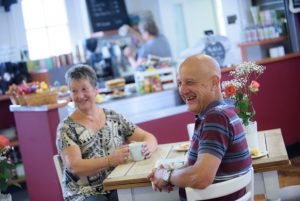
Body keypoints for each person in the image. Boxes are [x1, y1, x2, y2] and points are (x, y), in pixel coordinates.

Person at [148, 54, 252, 201]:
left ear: (214, 83)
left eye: (190, 82)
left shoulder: (216, 118)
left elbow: (201, 177)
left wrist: (166, 176)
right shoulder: (222, 112)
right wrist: (169, 175)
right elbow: (197, 169)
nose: (183, 91)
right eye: (180, 83)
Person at [56, 64, 158, 201]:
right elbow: (75, 166)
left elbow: (148, 137)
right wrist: (110, 160)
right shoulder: (66, 128)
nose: (80, 96)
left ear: (96, 89)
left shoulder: (113, 117)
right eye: (74, 91)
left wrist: (148, 148)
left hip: (117, 185)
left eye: (84, 89)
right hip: (84, 194)